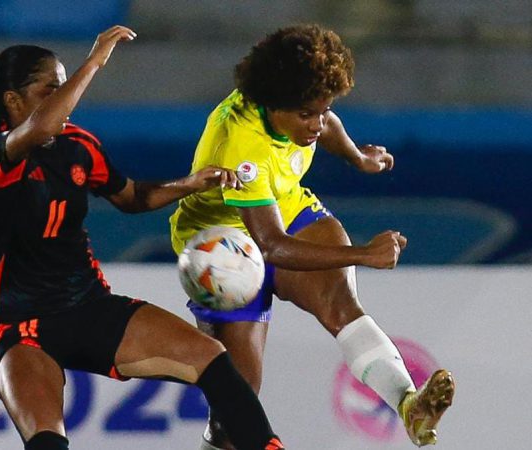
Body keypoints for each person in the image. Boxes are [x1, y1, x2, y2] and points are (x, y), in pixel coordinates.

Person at [0, 26, 285, 450]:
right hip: (22, 329)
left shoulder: (79, 147)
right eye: (51, 89)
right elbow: (42, 127)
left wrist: (190, 183)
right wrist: (95, 62)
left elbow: (133, 197)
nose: (66, 98)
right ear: (13, 101)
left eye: (64, 87)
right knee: (47, 441)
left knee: (213, 360)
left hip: (90, 307)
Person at [170, 24, 455, 449]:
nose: (317, 124)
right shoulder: (243, 146)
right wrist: (362, 254)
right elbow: (270, 246)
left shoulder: (296, 102)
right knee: (236, 409)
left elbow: (326, 121)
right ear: (273, 105)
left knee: (342, 306)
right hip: (222, 247)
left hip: (283, 207)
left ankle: (408, 403)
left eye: (323, 110)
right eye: (307, 115)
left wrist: (357, 157)